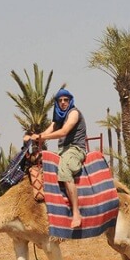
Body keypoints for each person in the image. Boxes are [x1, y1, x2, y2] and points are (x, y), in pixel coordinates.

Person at [24, 88, 87, 228]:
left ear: (70, 101)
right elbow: (45, 133)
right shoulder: (58, 119)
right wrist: (31, 137)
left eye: (66, 100)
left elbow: (64, 132)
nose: (63, 102)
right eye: (60, 100)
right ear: (57, 103)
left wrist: (40, 137)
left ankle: (76, 212)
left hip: (75, 149)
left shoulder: (74, 113)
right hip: (62, 151)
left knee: (64, 170)